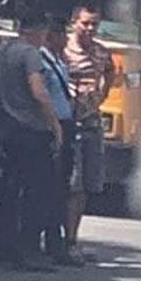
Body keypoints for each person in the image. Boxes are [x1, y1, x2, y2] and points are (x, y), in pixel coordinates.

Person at [0, 10, 64, 272]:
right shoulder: (31, 54)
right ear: (38, 31)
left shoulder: (2, 51)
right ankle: (29, 250)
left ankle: (7, 245)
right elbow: (38, 91)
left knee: (11, 190)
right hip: (31, 129)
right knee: (38, 192)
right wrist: (54, 124)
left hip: (7, 127)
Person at [63, 4, 115, 264]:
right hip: (67, 124)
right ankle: (58, 241)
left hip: (90, 123)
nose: (90, 28)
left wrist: (100, 95)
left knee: (85, 187)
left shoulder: (101, 52)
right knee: (70, 186)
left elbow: (110, 71)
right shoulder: (63, 50)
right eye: (85, 23)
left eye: (94, 24)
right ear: (74, 23)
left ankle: (72, 239)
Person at [39, 16, 80, 267]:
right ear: (50, 36)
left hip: (66, 124)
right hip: (53, 127)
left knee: (63, 187)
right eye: (61, 34)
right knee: (52, 189)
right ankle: (52, 243)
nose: (66, 39)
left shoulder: (58, 61)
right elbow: (42, 96)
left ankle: (60, 241)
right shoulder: (42, 62)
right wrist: (54, 128)